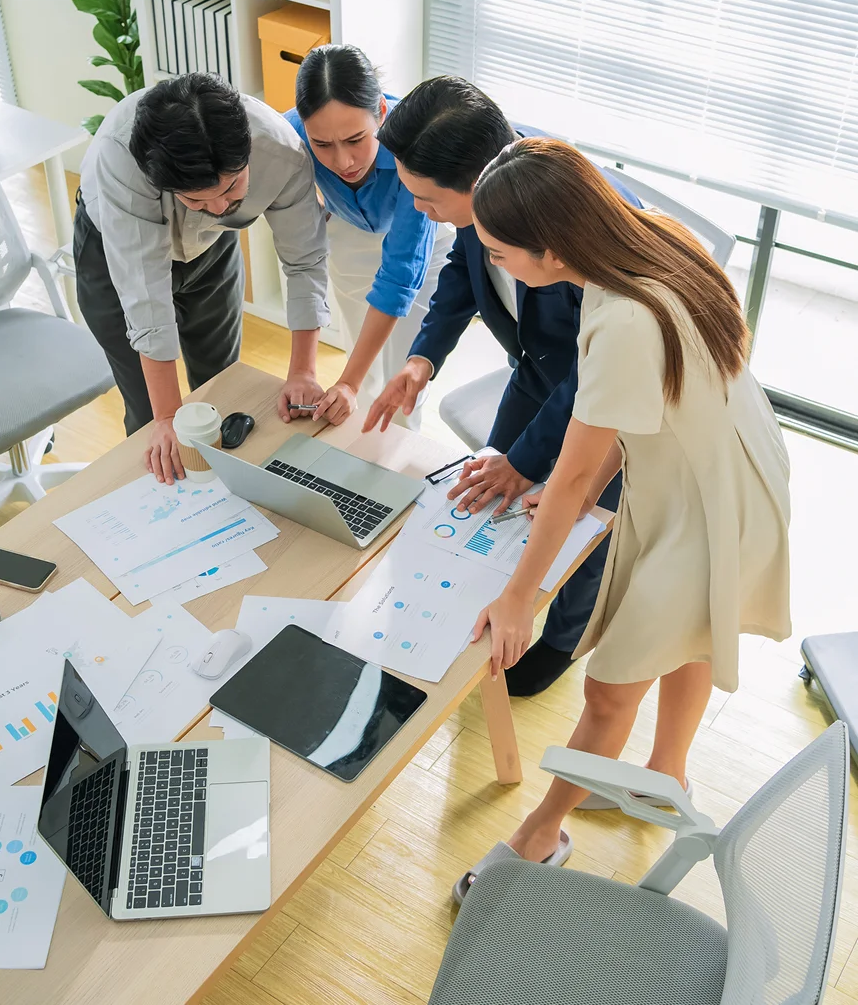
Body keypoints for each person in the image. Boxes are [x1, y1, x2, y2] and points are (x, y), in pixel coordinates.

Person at [454, 137, 790, 898]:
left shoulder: (622, 316)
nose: (498, 267)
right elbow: (625, 421)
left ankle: (539, 837)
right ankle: (662, 777)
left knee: (607, 691)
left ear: (553, 245)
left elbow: (572, 475)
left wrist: (518, 597)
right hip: (731, 461)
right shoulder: (655, 240)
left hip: (707, 499)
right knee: (695, 631)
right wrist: (580, 480)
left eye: (503, 255)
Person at [363, 76, 640, 695]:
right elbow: (463, 270)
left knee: (588, 524)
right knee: (490, 493)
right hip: (538, 367)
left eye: (429, 202)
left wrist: (525, 460)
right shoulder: (487, 197)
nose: (418, 212)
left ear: (477, 182)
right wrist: (422, 358)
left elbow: (594, 375)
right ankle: (490, 601)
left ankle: (564, 639)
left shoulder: (572, 229)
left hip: (611, 397)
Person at [75, 73, 329, 483]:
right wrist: (168, 420)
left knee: (220, 386)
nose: (217, 206)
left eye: (232, 189)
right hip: (112, 255)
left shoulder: (281, 152)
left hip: (212, 249)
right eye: (195, 198)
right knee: (150, 418)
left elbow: (304, 262)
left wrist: (303, 371)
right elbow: (146, 303)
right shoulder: (121, 157)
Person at [284, 45, 454, 430]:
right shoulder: (289, 133)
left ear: (380, 112)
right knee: (361, 360)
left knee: (401, 374)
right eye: (322, 145)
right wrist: (348, 382)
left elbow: (398, 276)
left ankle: (402, 466)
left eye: (356, 139)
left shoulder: (416, 144)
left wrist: (347, 382)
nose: (343, 162)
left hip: (421, 235)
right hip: (348, 233)